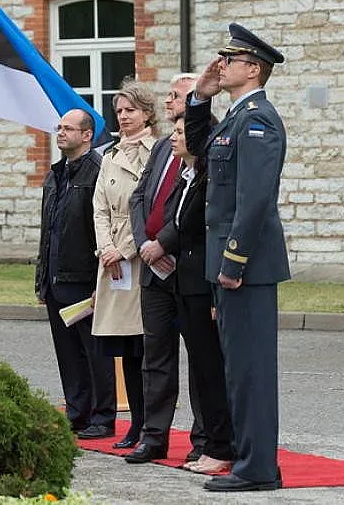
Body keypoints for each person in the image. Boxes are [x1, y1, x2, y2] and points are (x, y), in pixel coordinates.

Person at [185, 23, 289, 492]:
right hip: (230, 267)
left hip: (245, 268)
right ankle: (251, 461)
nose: (220, 65)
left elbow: (254, 200)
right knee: (238, 369)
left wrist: (233, 261)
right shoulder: (235, 117)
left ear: (253, 69)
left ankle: (258, 468)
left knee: (251, 371)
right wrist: (199, 99)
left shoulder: (259, 120)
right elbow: (201, 153)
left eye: (230, 60)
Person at [127, 73, 215, 465]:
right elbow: (139, 197)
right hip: (154, 270)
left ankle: (204, 437)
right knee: (156, 356)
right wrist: (145, 246)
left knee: (201, 358)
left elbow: (195, 207)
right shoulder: (164, 146)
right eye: (167, 94)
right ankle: (154, 436)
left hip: (187, 268)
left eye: (176, 95)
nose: (168, 101)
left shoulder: (206, 143)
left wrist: (164, 243)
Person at [35, 109, 117, 438]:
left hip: (84, 278)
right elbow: (48, 230)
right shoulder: (56, 173)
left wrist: (101, 282)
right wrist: (42, 279)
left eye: (68, 128)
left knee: (95, 351)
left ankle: (102, 416)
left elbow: (102, 228)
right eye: (59, 128)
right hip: (57, 277)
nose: (61, 133)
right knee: (68, 353)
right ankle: (77, 411)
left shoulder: (97, 171)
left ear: (86, 135)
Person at [92, 81, 158, 448]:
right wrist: (106, 249)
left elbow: (152, 207)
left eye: (130, 110)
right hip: (113, 261)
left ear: (147, 113)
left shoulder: (157, 152)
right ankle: (134, 422)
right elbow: (99, 208)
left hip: (141, 255)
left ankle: (150, 424)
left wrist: (124, 249)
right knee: (126, 349)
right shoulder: (110, 155)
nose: (123, 117)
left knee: (145, 346)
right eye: (118, 111)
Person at [169, 115, 233, 474]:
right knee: (201, 367)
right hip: (185, 283)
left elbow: (210, 235)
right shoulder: (187, 177)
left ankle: (221, 445)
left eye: (182, 132)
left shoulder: (209, 180)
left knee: (212, 369)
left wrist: (212, 295)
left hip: (203, 285)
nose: (174, 137)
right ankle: (211, 442)